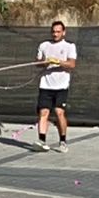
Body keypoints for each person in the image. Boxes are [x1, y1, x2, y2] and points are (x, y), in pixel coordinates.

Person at [36, 18, 76, 153]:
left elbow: (71, 64)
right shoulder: (44, 45)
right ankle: (41, 140)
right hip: (45, 85)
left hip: (61, 86)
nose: (55, 34)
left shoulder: (69, 46)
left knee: (59, 112)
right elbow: (37, 63)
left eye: (58, 32)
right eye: (53, 32)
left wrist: (59, 62)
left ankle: (63, 141)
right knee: (44, 112)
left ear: (63, 32)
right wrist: (45, 63)